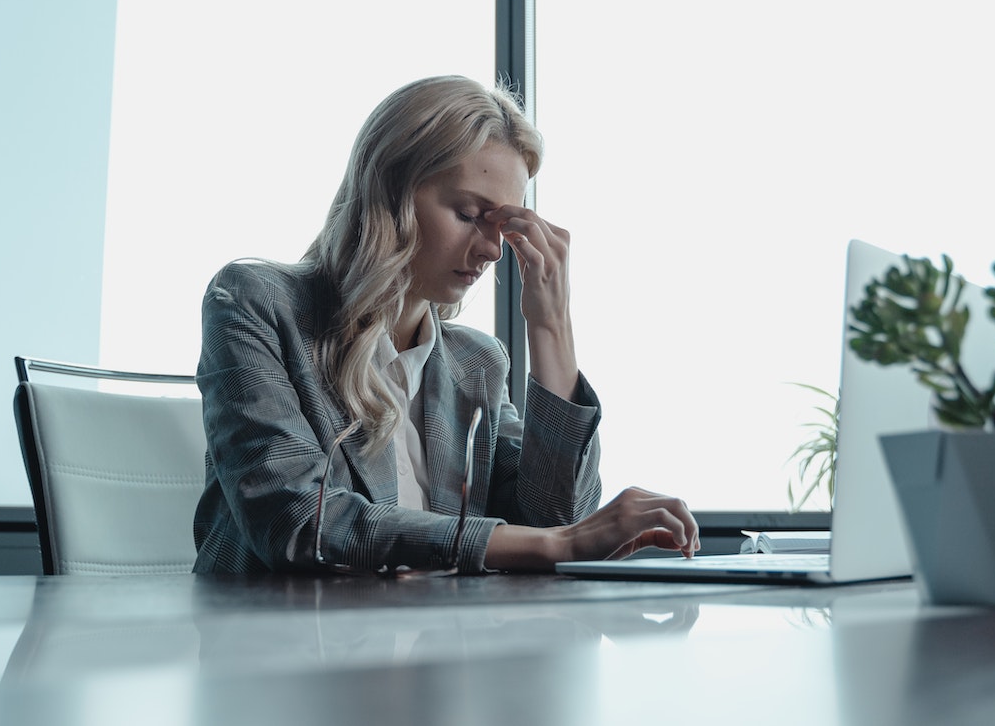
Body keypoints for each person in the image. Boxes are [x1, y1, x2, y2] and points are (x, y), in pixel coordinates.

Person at [192, 75, 698, 574]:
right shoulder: (254, 303)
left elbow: (555, 523)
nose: (493, 249)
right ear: (388, 193)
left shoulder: (476, 363)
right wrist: (554, 544)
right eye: (468, 213)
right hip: (282, 645)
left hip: (441, 642)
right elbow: (298, 523)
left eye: (503, 225)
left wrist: (551, 330)